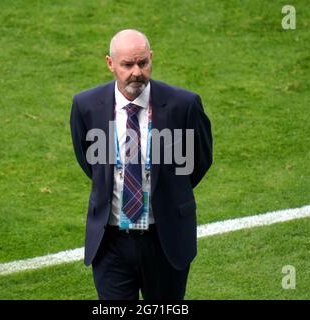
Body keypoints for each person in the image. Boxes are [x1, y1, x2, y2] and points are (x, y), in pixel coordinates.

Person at [70, 29, 213, 300]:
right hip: (110, 241)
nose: (137, 72)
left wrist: (169, 190)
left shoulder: (185, 104)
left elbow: (199, 161)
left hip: (164, 240)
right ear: (110, 64)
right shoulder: (85, 105)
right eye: (127, 65)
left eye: (143, 62)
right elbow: (89, 160)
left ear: (151, 59)